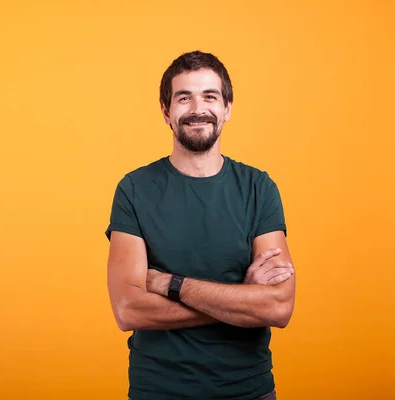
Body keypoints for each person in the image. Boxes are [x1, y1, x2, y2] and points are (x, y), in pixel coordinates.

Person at [104, 51, 296, 400]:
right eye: (184, 97)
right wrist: (239, 300)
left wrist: (167, 283)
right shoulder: (134, 189)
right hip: (158, 391)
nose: (197, 108)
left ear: (227, 108)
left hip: (248, 391)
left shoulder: (258, 188)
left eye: (210, 96)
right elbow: (128, 309)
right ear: (166, 111)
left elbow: (277, 307)